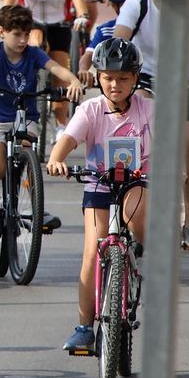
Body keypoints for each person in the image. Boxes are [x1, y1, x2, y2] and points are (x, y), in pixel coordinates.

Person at [45, 38, 150, 354]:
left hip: (137, 183)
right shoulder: (90, 109)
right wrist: (56, 159)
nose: (114, 85)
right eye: (107, 77)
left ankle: (140, 252)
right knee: (92, 251)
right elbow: (66, 141)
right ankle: (83, 327)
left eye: (122, 78)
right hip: (98, 186)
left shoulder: (149, 109)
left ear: (134, 79)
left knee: (135, 212)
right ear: (98, 78)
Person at [114, 0, 189, 249]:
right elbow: (119, 37)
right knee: (140, 132)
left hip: (182, 79)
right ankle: (134, 210)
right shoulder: (137, 2)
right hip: (144, 77)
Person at [0, 4, 82, 228]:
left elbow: (55, 68)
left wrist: (73, 81)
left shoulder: (33, 53)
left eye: (26, 34)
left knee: (27, 157)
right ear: (2, 31)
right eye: (17, 34)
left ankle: (37, 210)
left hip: (26, 117)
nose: (23, 40)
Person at [3, 0, 90, 125]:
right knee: (34, 45)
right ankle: (26, 99)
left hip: (59, 23)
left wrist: (83, 15)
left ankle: (61, 124)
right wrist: (6, 16)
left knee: (60, 74)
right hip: (31, 22)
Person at [80, 0, 140, 84]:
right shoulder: (105, 30)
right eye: (123, 4)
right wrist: (83, 70)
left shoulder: (148, 26)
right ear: (112, 4)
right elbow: (89, 54)